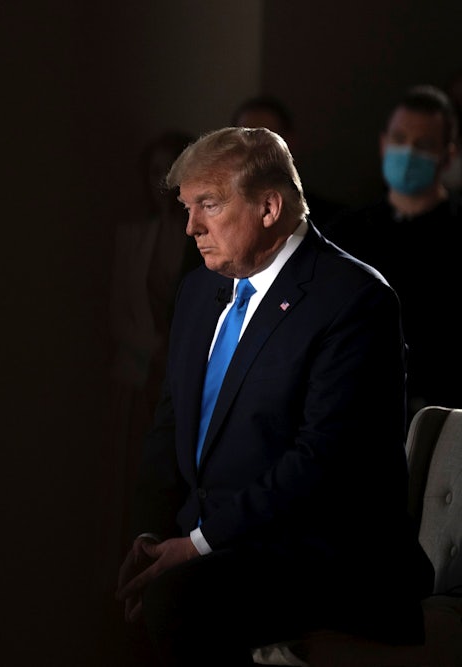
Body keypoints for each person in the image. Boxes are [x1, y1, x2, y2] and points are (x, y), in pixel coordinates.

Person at [114, 127, 433, 665]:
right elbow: (168, 426)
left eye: (208, 205)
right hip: (215, 544)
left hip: (317, 553)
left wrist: (196, 546)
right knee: (105, 599)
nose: (191, 227)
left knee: (175, 602)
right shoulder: (198, 290)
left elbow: (319, 462)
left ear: (268, 208)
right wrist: (150, 535)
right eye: (188, 208)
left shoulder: (355, 300)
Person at [326, 84, 462, 418]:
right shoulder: (345, 232)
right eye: (400, 139)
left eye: (424, 145)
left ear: (448, 155)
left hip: (442, 409)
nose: (409, 152)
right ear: (383, 143)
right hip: (356, 405)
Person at [109, 129, 201, 542]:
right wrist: (156, 350)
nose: (161, 181)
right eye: (153, 171)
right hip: (137, 378)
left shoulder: (203, 237)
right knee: (131, 478)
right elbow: (117, 316)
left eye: (169, 169)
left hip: (186, 379)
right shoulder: (131, 238)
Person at [230, 94, 347, 230]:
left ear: (290, 143)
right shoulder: (220, 218)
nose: (254, 153)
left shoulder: (332, 221)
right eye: (244, 143)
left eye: (266, 142)